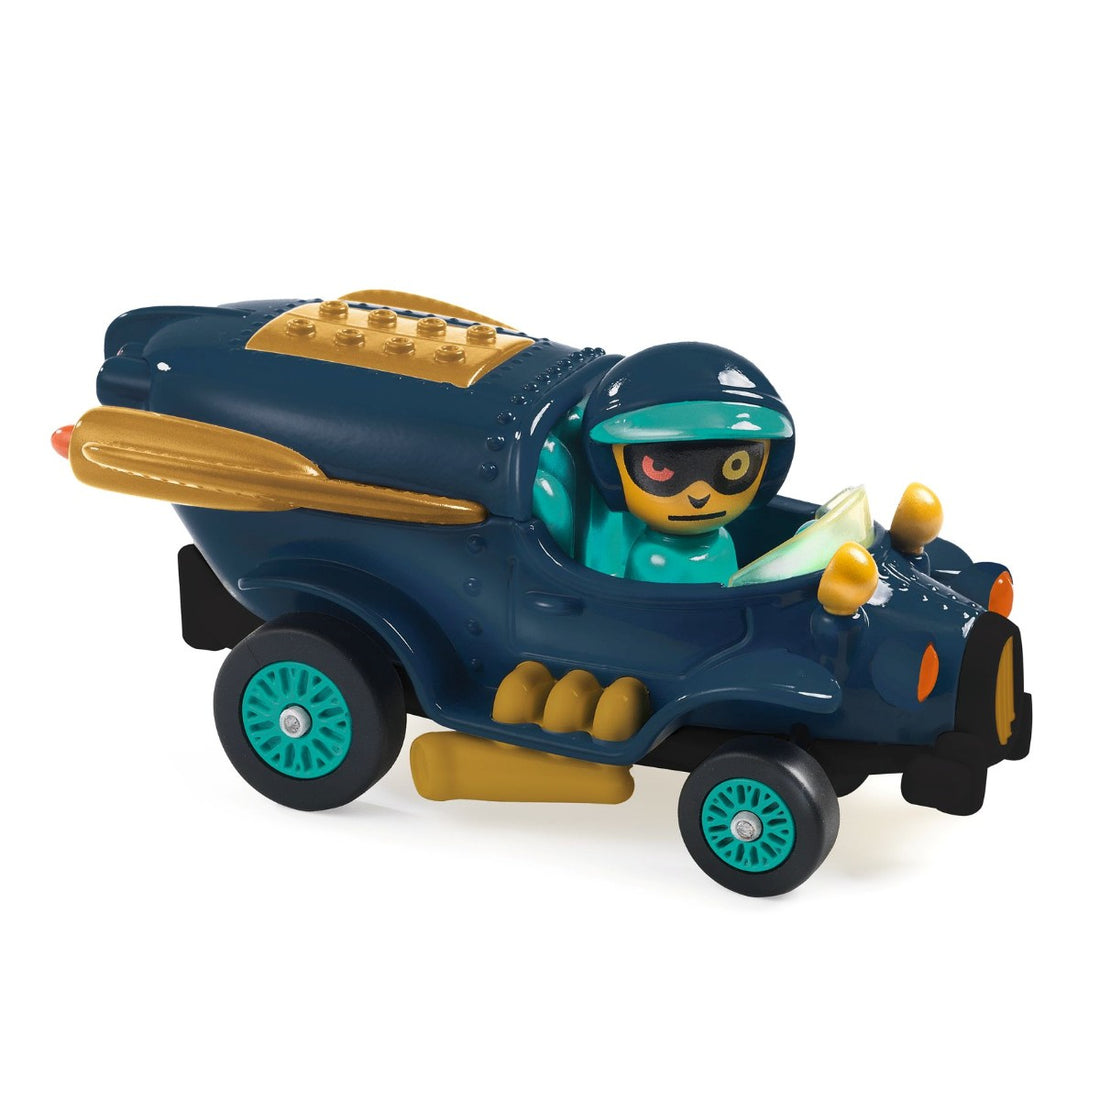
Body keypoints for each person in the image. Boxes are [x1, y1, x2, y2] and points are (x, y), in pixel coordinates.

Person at [582, 342, 795, 584]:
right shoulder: (651, 558)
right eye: (659, 468)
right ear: (611, 474)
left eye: (736, 466)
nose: (699, 495)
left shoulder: (723, 543)